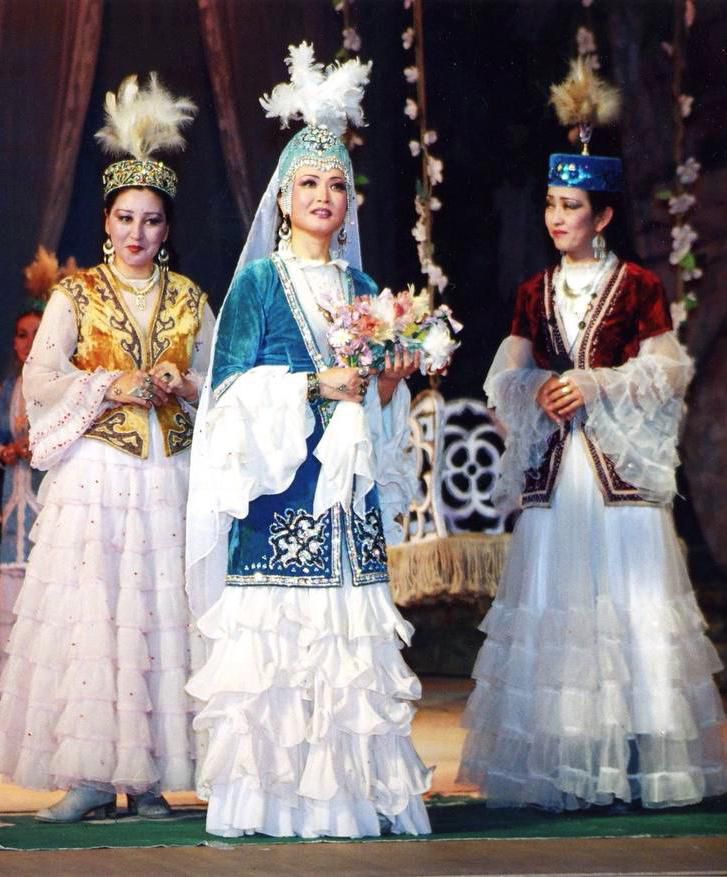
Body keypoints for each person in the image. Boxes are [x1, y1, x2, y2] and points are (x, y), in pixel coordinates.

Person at [457, 60, 727, 811]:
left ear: (601, 217)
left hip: (617, 476)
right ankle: (568, 766)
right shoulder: (533, 291)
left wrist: (599, 383)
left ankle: (640, 765)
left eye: (570, 206)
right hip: (560, 475)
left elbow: (667, 368)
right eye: (550, 204)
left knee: (629, 607)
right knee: (560, 608)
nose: (556, 217)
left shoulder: (638, 286)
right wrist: (536, 390)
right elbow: (503, 377)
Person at [185, 43, 432, 839]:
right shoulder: (258, 284)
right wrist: (308, 386)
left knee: (345, 658)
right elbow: (225, 399)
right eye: (309, 183)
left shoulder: (366, 290)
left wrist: (388, 385)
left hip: (344, 511)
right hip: (279, 504)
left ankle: (344, 802)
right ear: (283, 199)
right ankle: (270, 803)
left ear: (349, 203)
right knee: (280, 658)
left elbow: (376, 406)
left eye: (336, 185)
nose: (324, 195)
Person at [0, 74, 214, 822]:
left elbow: (220, 382)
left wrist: (185, 383)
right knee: (98, 617)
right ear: (106, 221)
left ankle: (151, 777)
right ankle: (92, 775)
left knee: (158, 620)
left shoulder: (190, 298)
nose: (137, 233)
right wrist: (110, 385)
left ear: (167, 227)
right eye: (126, 218)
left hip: (169, 476)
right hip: (99, 476)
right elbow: (41, 377)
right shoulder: (76, 294)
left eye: (151, 220)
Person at [0, 310, 43, 674]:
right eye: (22, 334)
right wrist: (6, 451)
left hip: (45, 503)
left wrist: (37, 448)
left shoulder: (59, 386)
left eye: (37, 333)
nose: (29, 343)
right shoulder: (8, 389)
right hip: (11, 504)